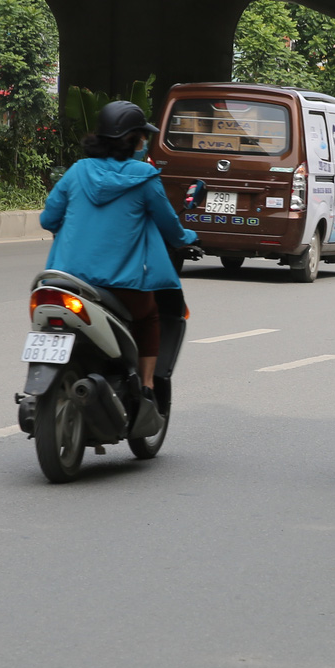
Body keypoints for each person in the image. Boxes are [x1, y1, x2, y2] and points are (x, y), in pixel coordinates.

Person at [38, 100, 197, 436]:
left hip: (64, 281)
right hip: (120, 284)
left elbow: (48, 218)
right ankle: (148, 386)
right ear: (135, 140)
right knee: (150, 314)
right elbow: (170, 227)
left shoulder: (78, 171)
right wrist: (189, 237)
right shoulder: (145, 178)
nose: (143, 143)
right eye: (142, 137)